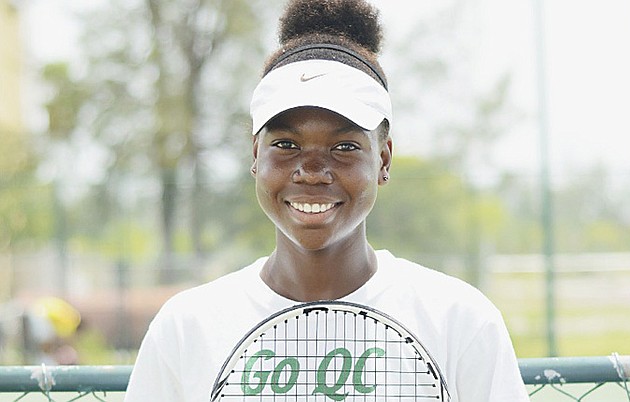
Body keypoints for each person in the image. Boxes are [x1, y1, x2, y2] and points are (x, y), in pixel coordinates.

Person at [125, 0, 529, 401]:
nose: (312, 170)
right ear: (255, 157)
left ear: (383, 159)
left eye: (344, 146)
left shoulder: (458, 320)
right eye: (286, 144)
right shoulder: (187, 327)